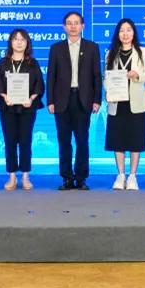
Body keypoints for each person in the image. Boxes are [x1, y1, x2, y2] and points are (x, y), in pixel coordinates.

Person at [47, 11, 102, 191]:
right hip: (61, 100)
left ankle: (81, 178)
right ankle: (66, 178)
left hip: (83, 99)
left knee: (82, 141)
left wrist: (97, 100)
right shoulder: (56, 48)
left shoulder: (92, 47)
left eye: (76, 23)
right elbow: (51, 76)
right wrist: (50, 101)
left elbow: (96, 76)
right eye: (69, 23)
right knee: (64, 141)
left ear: (82, 26)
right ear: (64, 27)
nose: (73, 26)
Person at [0, 29, 44, 191]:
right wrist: (4, 96)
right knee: (10, 141)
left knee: (25, 141)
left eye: (22, 39)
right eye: (15, 39)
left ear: (27, 43)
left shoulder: (33, 63)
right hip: (7, 107)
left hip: (27, 108)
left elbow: (39, 84)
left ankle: (26, 175)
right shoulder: (2, 63)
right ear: (10, 42)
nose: (19, 42)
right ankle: (12, 176)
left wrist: (32, 98)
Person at [104, 18, 145, 191]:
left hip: (136, 102)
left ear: (134, 33)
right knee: (117, 140)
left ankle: (132, 176)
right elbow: (106, 77)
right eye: (122, 30)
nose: (125, 34)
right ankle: (120, 175)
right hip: (117, 102)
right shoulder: (110, 53)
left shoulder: (143, 51)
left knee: (135, 140)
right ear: (117, 34)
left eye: (128, 30)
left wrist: (137, 74)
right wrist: (108, 91)